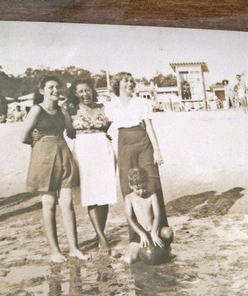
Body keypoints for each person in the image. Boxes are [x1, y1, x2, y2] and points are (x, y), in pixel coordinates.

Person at [21, 75, 88, 262]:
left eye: (58, 87)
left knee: (67, 204)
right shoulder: (36, 110)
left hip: (63, 155)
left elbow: (72, 132)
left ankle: (74, 248)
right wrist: (42, 142)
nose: (55, 90)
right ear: (42, 91)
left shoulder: (62, 111)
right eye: (51, 87)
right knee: (49, 204)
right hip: (43, 159)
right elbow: (23, 137)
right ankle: (54, 251)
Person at [104, 72, 169, 244]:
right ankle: (137, 236)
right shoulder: (111, 106)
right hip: (124, 144)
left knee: (152, 183)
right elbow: (102, 126)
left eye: (131, 81)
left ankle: (159, 231)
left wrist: (157, 150)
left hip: (143, 143)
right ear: (118, 84)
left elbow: (149, 127)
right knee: (128, 186)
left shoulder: (142, 102)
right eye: (125, 81)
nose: (130, 84)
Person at [67, 78, 117, 254]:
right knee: (91, 195)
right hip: (83, 152)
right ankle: (102, 239)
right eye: (80, 91)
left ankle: (99, 236)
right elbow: (68, 131)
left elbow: (109, 127)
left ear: (92, 91)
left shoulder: (102, 108)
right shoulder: (71, 110)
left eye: (87, 90)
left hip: (103, 150)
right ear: (75, 93)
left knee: (104, 194)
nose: (84, 94)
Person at [123, 168, 173, 265]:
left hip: (155, 230)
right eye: (138, 189)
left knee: (168, 232)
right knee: (128, 260)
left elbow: (157, 215)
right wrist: (142, 234)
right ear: (131, 185)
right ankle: (141, 252)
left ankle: (167, 250)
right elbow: (130, 218)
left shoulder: (152, 195)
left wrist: (154, 232)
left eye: (144, 187)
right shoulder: (129, 198)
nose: (142, 191)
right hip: (139, 234)